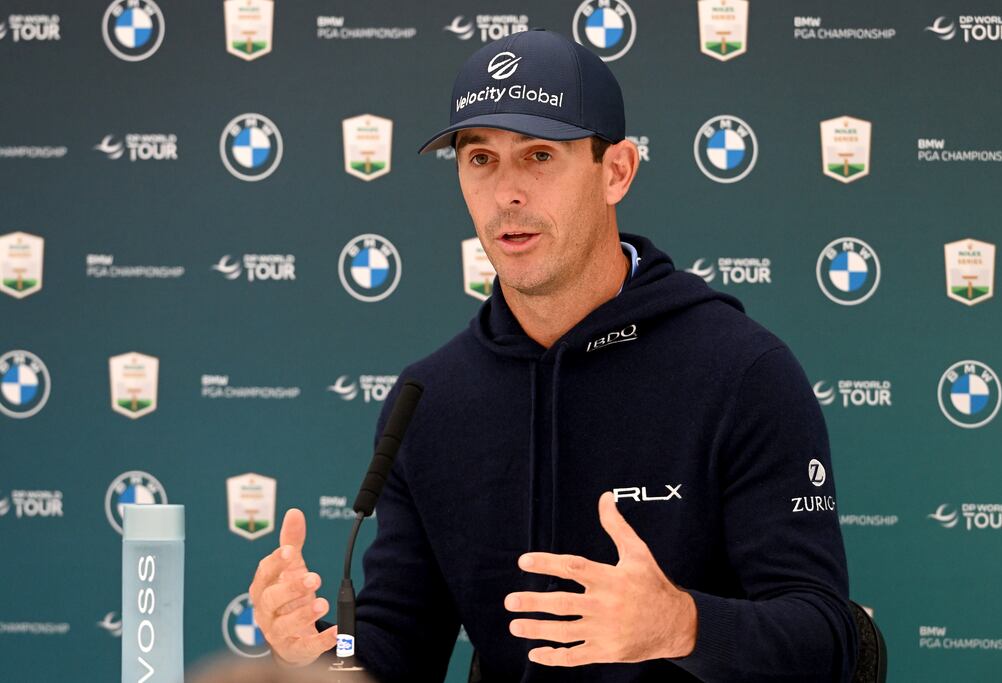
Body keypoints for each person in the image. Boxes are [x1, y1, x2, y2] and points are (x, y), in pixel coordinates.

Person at [249, 28, 857, 682]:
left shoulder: (741, 373)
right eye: (480, 159)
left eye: (539, 155)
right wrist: (313, 654)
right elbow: (397, 652)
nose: (507, 192)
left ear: (616, 171)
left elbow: (828, 644)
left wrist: (680, 623)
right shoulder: (430, 399)